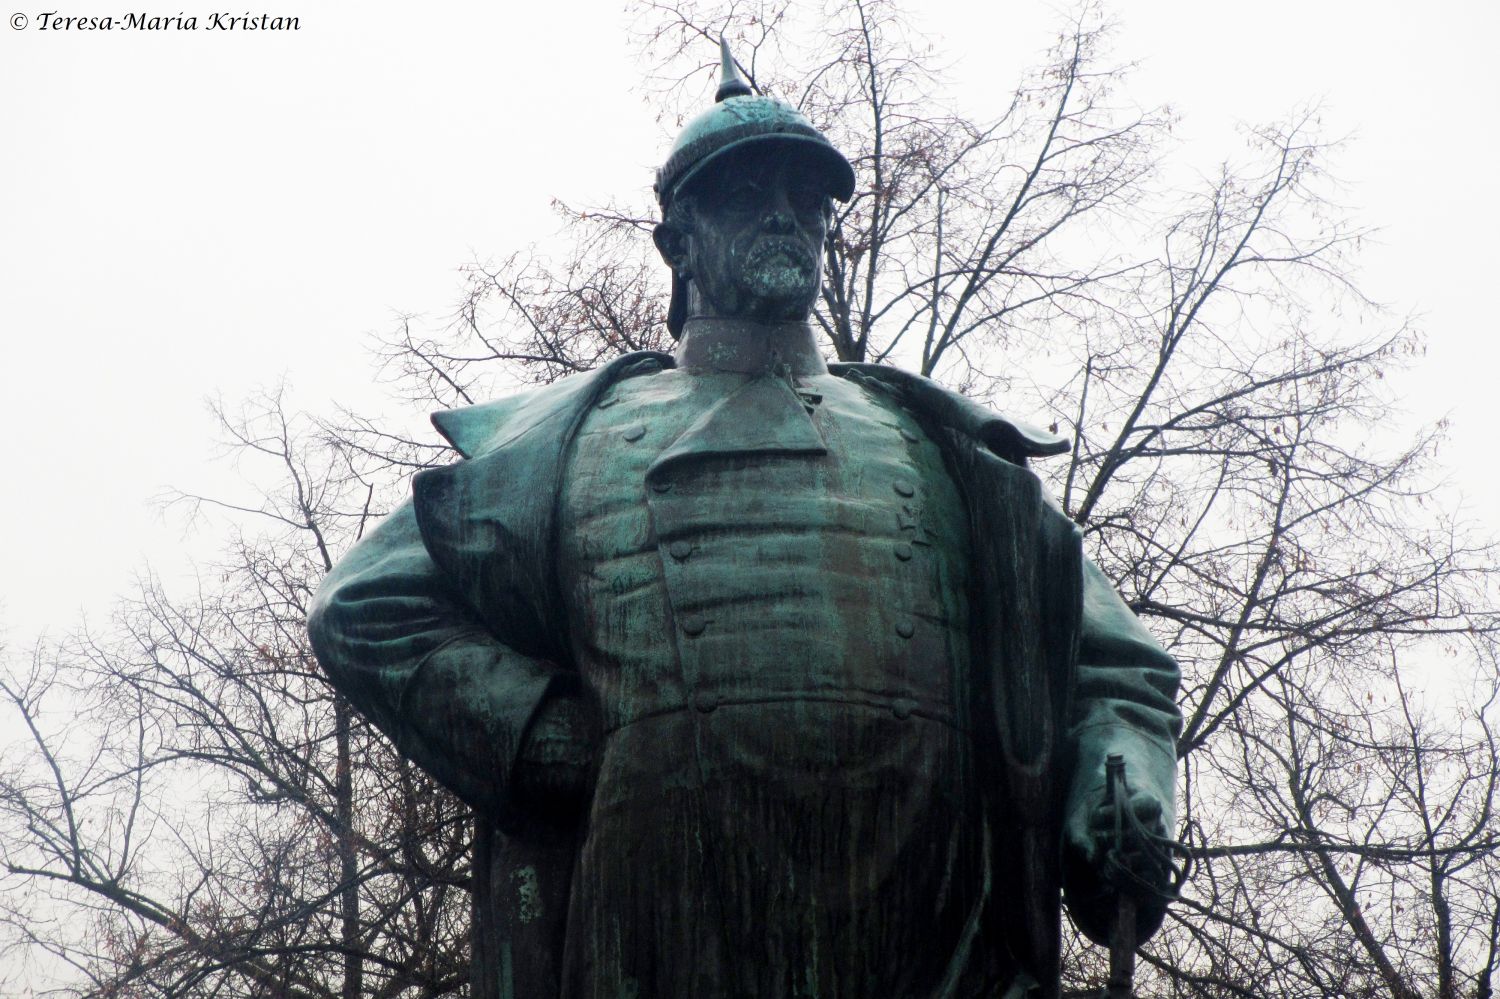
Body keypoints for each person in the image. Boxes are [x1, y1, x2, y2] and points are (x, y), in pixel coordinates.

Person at [308, 42, 1180, 999]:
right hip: (666, 930)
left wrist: (1120, 788)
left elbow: (1115, 671)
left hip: (930, 937)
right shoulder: (572, 438)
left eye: (808, 199)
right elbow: (364, 604)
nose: (784, 215)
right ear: (677, 240)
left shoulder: (943, 446)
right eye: (744, 192)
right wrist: (532, 727)